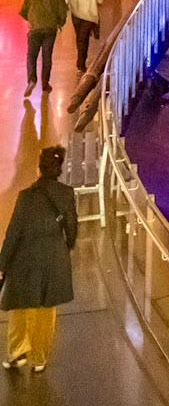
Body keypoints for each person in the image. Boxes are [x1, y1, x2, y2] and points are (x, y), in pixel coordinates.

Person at [0, 144, 78, 372]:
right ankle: (39, 357)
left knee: (21, 305)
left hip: (25, 259)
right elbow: (72, 229)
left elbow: (14, 233)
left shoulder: (26, 197)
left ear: (39, 169)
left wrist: (2, 264)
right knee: (46, 309)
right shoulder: (66, 194)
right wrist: (63, 248)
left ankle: (17, 352)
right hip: (53, 258)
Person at [19, 0, 67, 97]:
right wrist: (60, 23)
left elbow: (23, 11)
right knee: (47, 56)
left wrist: (32, 20)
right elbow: (62, 10)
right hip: (50, 29)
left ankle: (31, 79)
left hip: (35, 29)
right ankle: (45, 84)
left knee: (31, 56)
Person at [63, 0, 104, 74]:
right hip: (89, 14)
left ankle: (81, 62)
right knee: (84, 38)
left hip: (76, 13)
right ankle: (81, 64)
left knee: (79, 38)